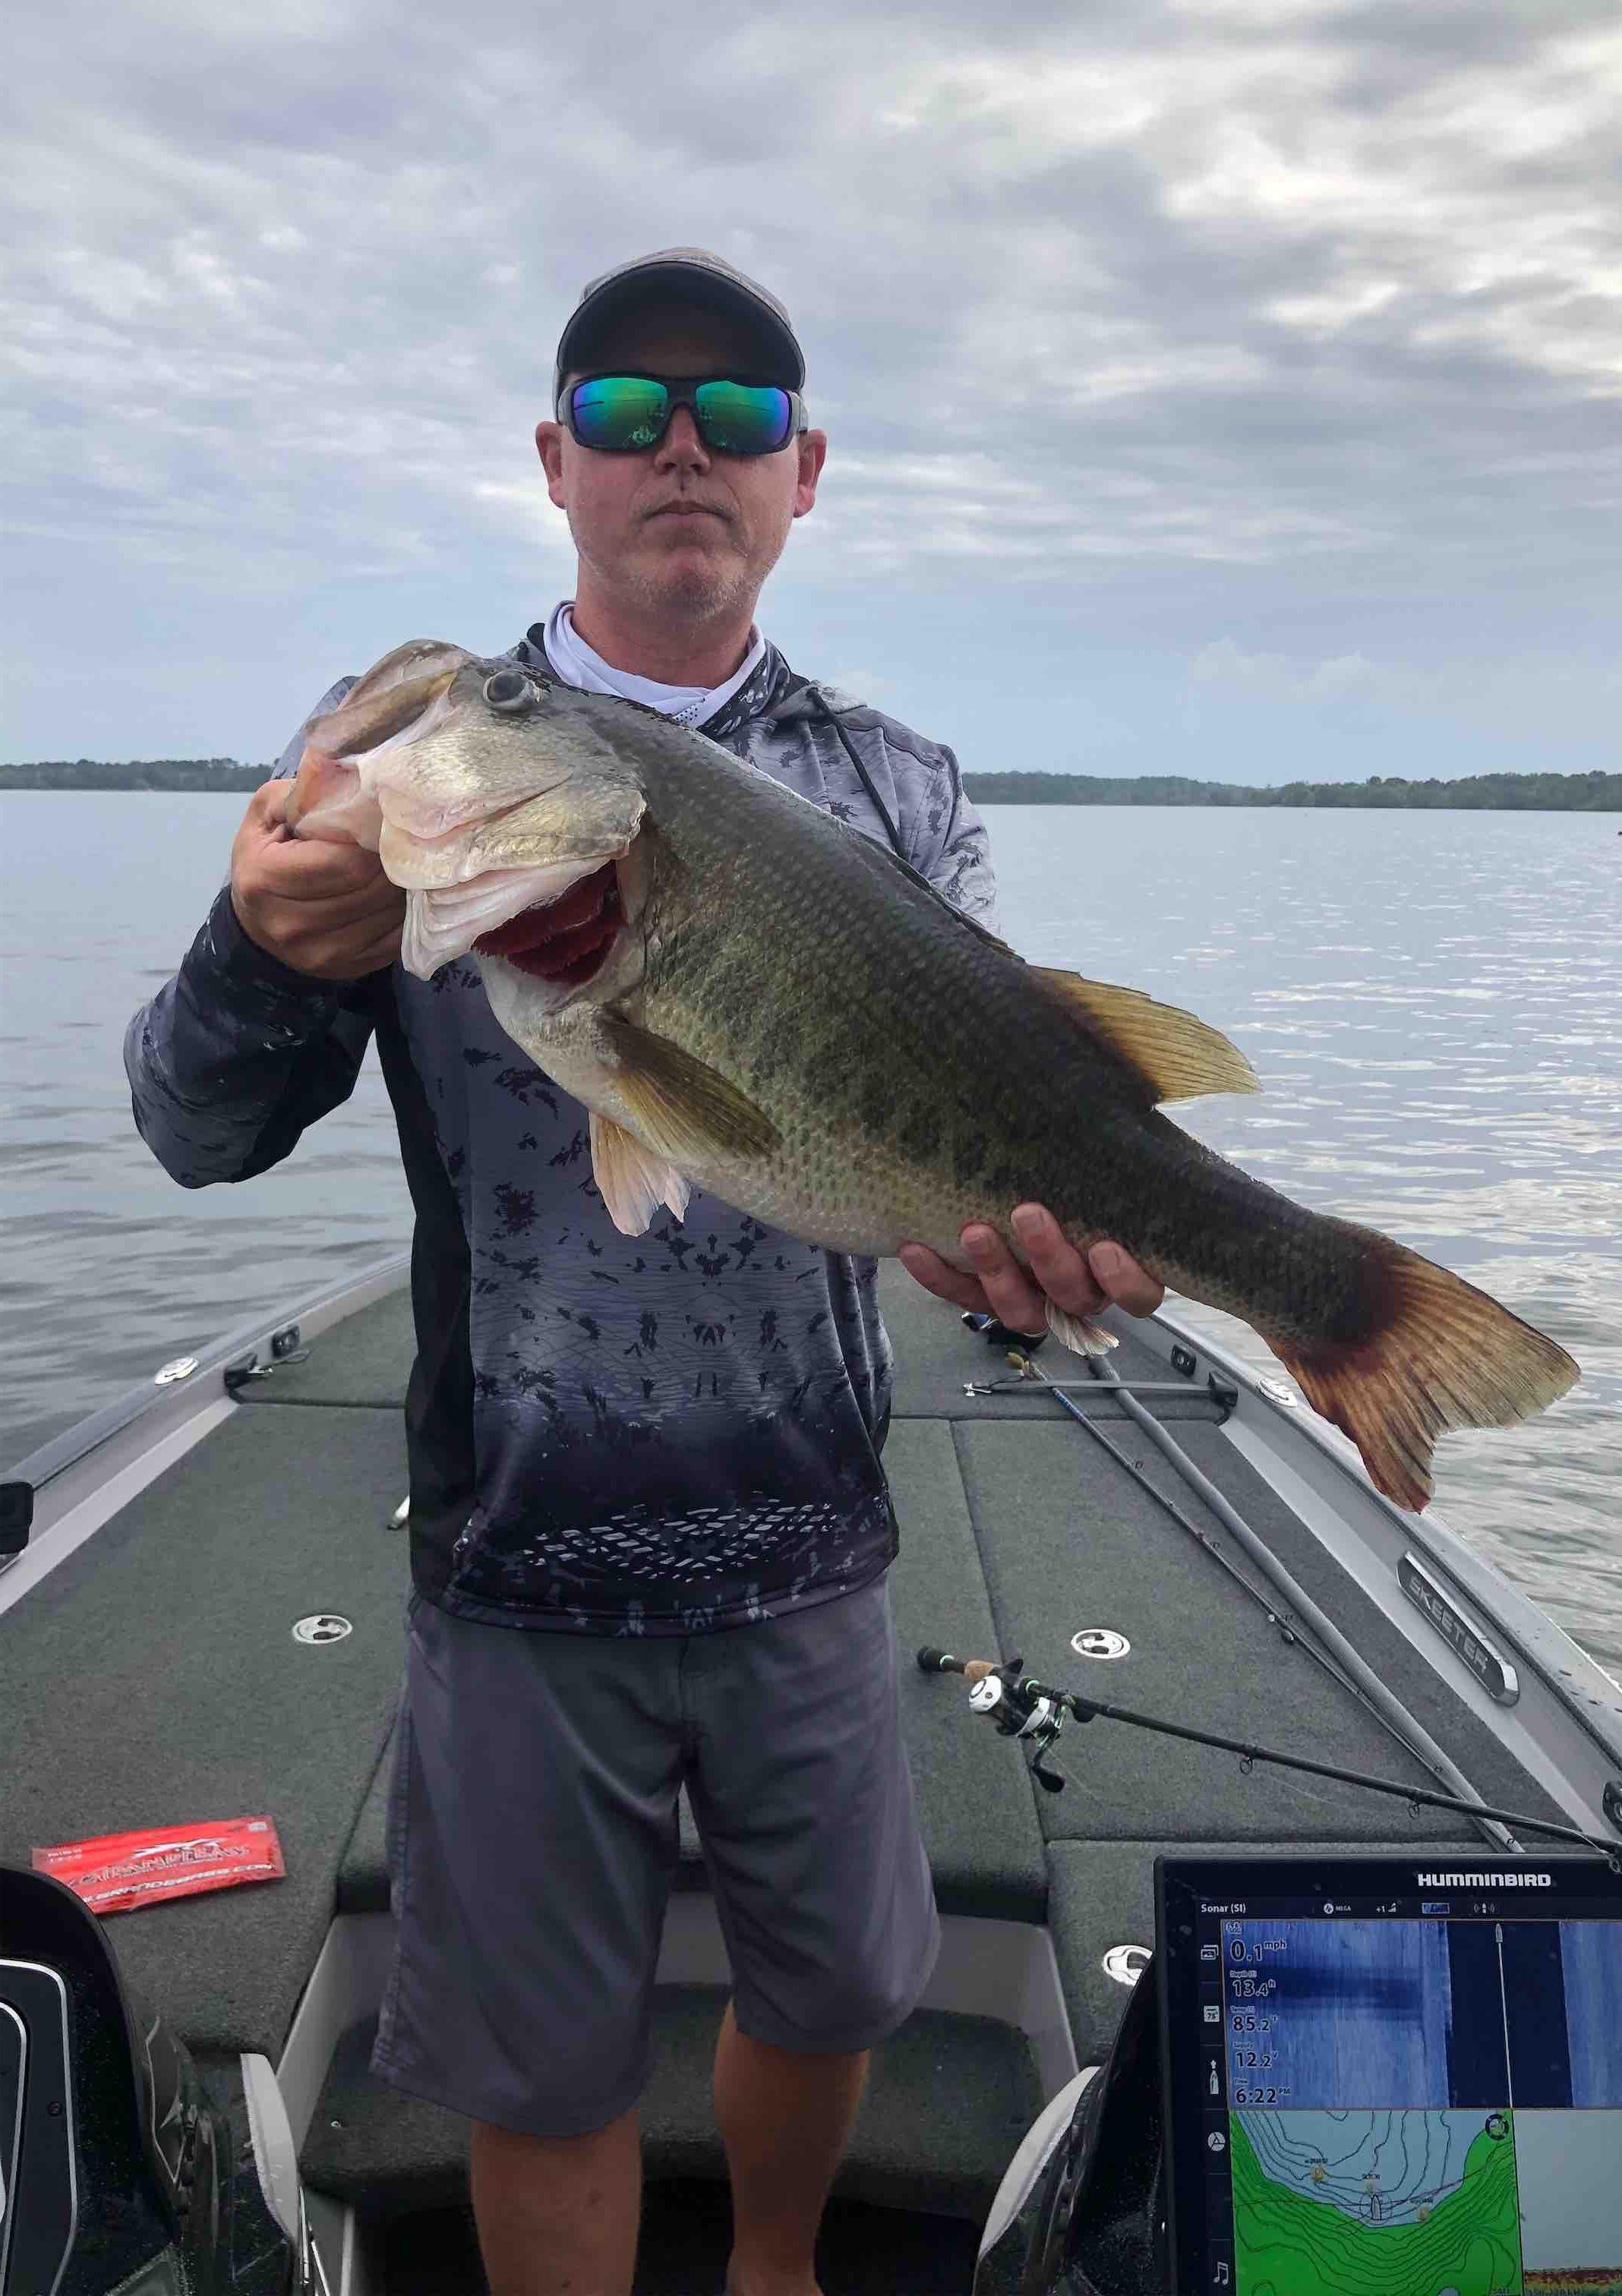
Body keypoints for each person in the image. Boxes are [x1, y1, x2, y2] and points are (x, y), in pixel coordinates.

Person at [125, 248, 1164, 2296]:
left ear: (802, 474)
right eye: (624, 409)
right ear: (556, 461)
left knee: (833, 1992)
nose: (681, 446)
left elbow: (974, 1131)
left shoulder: (895, 780)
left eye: (737, 413)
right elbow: (192, 1128)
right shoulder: (426, 755)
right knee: (540, 2068)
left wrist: (1026, 1278)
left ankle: (776, 2270)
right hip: (517, 1552)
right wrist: (257, 953)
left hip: (812, 1535)